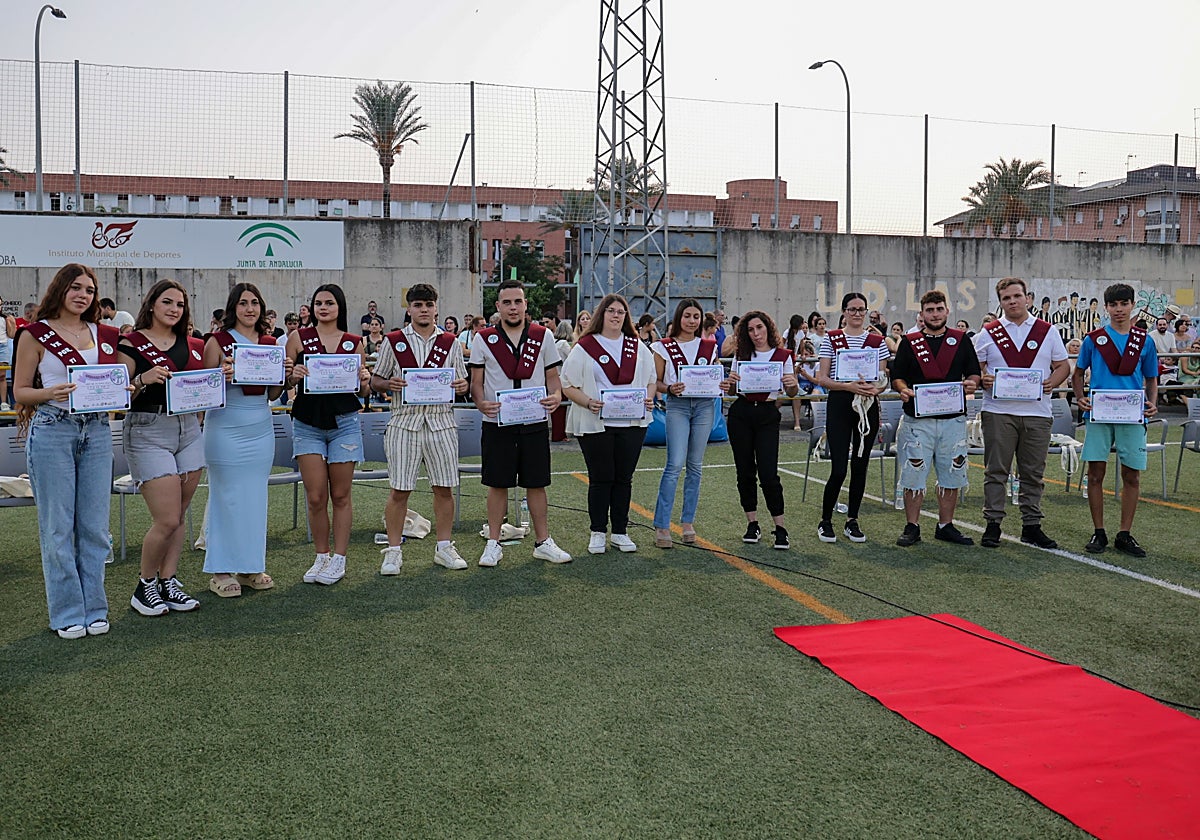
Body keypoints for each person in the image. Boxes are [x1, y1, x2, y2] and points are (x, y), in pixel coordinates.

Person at [12, 263, 120, 639]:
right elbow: (20, 391)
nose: (83, 295)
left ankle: (95, 608)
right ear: (60, 289)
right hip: (53, 428)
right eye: (76, 288)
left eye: (89, 290)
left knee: (94, 528)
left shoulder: (104, 334)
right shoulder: (35, 334)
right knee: (58, 528)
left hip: (98, 430)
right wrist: (48, 393)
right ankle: (68, 612)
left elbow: (117, 383)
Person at [117, 279, 206, 616]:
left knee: (180, 515)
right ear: (151, 303)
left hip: (188, 428)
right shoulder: (132, 343)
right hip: (148, 428)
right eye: (167, 302)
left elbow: (203, 384)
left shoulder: (193, 343)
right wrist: (141, 379)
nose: (173, 309)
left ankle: (169, 581)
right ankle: (145, 586)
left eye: (180, 305)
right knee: (167, 518)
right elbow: (120, 393)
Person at [468, 279, 571, 567]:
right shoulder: (483, 338)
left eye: (518, 301)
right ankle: (493, 543)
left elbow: (552, 376)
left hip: (534, 420)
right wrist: (480, 402)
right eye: (507, 302)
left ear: (526, 305)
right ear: (498, 306)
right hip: (497, 421)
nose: (513, 307)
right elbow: (477, 382)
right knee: (497, 483)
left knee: (536, 483)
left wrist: (556, 395)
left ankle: (543, 541)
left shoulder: (543, 336)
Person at [370, 283, 471, 573]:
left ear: (436, 307)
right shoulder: (393, 340)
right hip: (404, 423)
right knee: (399, 490)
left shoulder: (450, 342)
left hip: (441, 424)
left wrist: (462, 386)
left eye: (428, 305)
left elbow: (461, 382)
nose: (424, 310)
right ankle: (393, 550)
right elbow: (376, 380)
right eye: (418, 305)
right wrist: (389, 384)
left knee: (444, 488)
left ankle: (444, 547)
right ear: (409, 309)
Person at [203, 283, 290, 597]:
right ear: (232, 308)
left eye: (255, 303)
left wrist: (285, 375)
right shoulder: (217, 341)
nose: (250, 309)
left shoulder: (270, 343)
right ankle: (220, 570)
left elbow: (274, 393)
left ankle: (251, 566)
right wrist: (219, 377)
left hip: (260, 423)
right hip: (225, 425)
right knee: (226, 497)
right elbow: (201, 389)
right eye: (243, 303)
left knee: (255, 498)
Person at [973, 277, 1071, 549]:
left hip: (1037, 413)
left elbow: (1063, 365)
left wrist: (1054, 380)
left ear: (1028, 298)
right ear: (1000, 302)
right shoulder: (989, 333)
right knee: (996, 471)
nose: (1013, 301)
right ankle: (992, 524)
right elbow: (973, 368)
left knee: (1032, 473)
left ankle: (1032, 525)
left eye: (1017, 296)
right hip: (998, 412)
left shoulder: (1047, 331)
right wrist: (983, 378)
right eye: (1006, 298)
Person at [285, 284, 372, 585]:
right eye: (318, 303)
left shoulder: (353, 342)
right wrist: (291, 376)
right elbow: (283, 384)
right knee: (316, 495)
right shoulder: (298, 338)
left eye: (330, 303)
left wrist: (364, 379)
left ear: (340, 307)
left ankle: (339, 559)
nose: (324, 308)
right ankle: (321, 556)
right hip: (307, 422)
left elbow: (362, 391)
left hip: (345, 422)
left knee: (341, 494)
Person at [561, 294, 657, 554]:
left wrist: (648, 398)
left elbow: (651, 379)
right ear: (601, 314)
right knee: (601, 479)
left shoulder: (637, 346)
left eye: (621, 312)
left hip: (632, 423)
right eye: (611, 311)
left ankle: (621, 532)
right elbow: (567, 384)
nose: (616, 316)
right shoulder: (585, 346)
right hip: (596, 422)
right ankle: (598, 531)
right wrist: (588, 401)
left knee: (624, 479)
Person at [889, 291, 982, 547]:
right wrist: (902, 389)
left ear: (947, 311)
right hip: (917, 420)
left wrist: (971, 384)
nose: (935, 314)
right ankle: (912, 526)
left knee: (952, 471)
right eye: (930, 310)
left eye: (939, 309)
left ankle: (946, 525)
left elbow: (974, 373)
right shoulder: (909, 341)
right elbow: (897, 376)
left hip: (953, 419)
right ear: (922, 314)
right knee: (913, 473)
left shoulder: (961, 340)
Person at [1073, 284, 1158, 557]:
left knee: (1131, 474)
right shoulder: (1093, 339)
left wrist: (1153, 403)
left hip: (1132, 416)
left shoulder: (1145, 340)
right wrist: (1079, 397)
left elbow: (1151, 377)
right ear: (1106, 307)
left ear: (1132, 305)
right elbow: (1078, 373)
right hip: (1098, 415)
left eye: (1124, 303)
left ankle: (1125, 534)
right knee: (1095, 473)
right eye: (1114, 305)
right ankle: (1099, 532)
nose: (1119, 309)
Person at [815, 292, 891, 543]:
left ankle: (852, 520)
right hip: (840, 404)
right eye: (852, 309)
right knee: (838, 468)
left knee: (860, 466)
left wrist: (875, 389)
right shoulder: (832, 338)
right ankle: (826, 520)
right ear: (844, 312)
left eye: (861, 309)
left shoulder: (877, 340)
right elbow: (823, 378)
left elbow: (882, 378)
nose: (857, 313)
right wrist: (849, 387)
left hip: (867, 405)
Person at [721, 311, 799, 548]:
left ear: (768, 328)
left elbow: (791, 393)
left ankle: (780, 527)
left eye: (759, 328)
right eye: (751, 330)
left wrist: (793, 385)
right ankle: (752, 523)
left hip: (767, 415)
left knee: (768, 473)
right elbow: (733, 392)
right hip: (741, 414)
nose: (756, 334)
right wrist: (730, 384)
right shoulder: (741, 355)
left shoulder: (783, 356)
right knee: (745, 472)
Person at [650, 299, 720, 548]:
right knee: (674, 464)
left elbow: (714, 375)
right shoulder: (662, 346)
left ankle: (688, 521)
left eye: (696, 316)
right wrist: (669, 387)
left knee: (696, 466)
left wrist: (719, 383)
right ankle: (662, 524)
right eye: (687, 316)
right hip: (677, 405)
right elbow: (655, 381)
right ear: (679, 317)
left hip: (704, 406)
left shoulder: (710, 346)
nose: (692, 321)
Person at [0, 294, 16, 410]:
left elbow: (11, 335)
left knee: (2, 375)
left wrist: (12, 323)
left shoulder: (4, 318)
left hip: (3, 346)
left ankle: (4, 402)